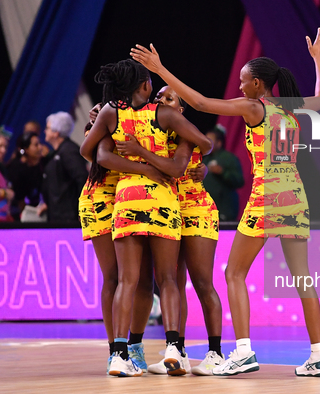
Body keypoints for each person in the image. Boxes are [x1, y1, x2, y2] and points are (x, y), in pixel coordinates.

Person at [131, 27, 320, 377]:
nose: (240, 87)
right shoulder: (290, 108)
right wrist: (319, 61)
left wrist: (161, 70)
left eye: (244, 81)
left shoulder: (255, 108)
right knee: (303, 278)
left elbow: (202, 104)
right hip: (296, 197)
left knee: (233, 272)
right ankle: (318, 356)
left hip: (267, 196)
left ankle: (242, 352)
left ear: (258, 85)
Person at [80, 59, 212, 377]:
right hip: (149, 198)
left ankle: (121, 352)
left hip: (123, 199)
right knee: (163, 279)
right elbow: (202, 146)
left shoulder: (111, 113)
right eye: (159, 91)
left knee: (127, 280)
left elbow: (91, 152)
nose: (162, 98)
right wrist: (152, 164)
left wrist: (132, 153)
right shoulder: (160, 116)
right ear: (145, 86)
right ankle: (170, 348)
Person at [119, 86, 224, 376]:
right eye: (158, 98)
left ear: (179, 110)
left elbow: (194, 154)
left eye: (169, 99)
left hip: (196, 209)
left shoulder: (184, 133)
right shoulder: (155, 133)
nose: (160, 102)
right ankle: (177, 351)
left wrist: (200, 167)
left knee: (202, 283)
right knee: (172, 283)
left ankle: (215, 352)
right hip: (168, 210)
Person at [79, 104, 173, 374]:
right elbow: (95, 154)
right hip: (100, 199)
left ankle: (135, 346)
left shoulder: (143, 120)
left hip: (134, 199)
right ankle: (115, 352)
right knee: (114, 277)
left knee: (143, 278)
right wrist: (144, 170)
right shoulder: (102, 124)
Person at [42, 112, 88, 223]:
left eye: (47, 128)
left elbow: (82, 178)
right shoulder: (58, 152)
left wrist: (82, 209)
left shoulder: (68, 151)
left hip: (68, 217)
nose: (45, 131)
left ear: (55, 133)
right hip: (58, 215)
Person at [202, 124, 245, 221]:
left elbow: (240, 181)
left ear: (219, 143)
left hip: (224, 210)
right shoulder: (204, 158)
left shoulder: (229, 158)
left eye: (210, 140)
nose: (206, 142)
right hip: (205, 211)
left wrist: (222, 172)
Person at [6, 132, 46, 221]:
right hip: (22, 214)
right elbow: (19, 199)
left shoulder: (44, 163)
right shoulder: (16, 168)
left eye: (40, 143)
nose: (40, 147)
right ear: (26, 149)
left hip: (41, 209)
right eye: (36, 145)